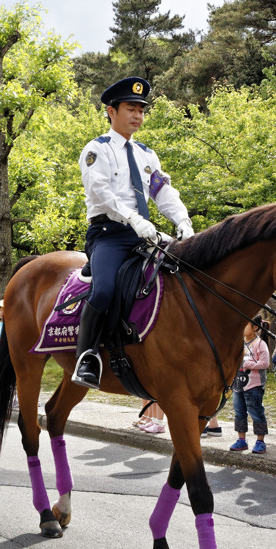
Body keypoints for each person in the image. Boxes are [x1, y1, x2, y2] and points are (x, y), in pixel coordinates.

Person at [74, 77, 194, 389]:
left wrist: (183, 221)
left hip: (145, 233)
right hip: (109, 234)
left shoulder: (146, 154)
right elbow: (101, 193)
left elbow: (162, 192)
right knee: (103, 291)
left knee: (188, 272)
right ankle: (86, 357)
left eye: (141, 109)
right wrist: (133, 219)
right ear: (111, 111)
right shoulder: (96, 150)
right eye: (131, 108)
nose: (138, 115)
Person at [229, 317, 270, 454]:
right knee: (239, 412)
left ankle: (260, 441)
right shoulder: (239, 343)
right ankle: (241, 440)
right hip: (238, 384)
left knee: (256, 412)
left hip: (254, 385)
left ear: (255, 328)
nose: (242, 327)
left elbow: (265, 363)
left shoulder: (260, 344)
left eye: (245, 325)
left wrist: (249, 364)